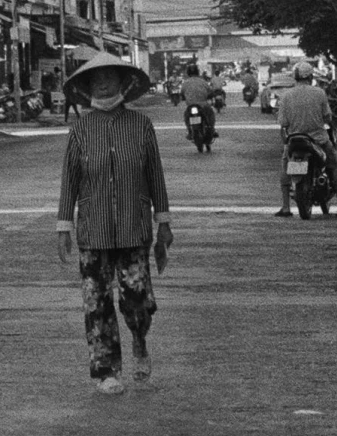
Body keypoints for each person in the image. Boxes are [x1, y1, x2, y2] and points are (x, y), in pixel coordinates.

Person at [56, 50, 172, 396]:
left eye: (110, 78)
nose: (103, 85)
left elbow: (155, 175)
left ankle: (139, 339)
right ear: (88, 86)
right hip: (93, 230)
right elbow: (70, 179)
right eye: (96, 79)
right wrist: (64, 225)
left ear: (124, 83)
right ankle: (105, 369)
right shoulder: (80, 130)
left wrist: (163, 222)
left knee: (137, 299)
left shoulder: (141, 125)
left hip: (133, 227)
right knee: (97, 302)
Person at [276, 61, 337, 219]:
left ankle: (285, 207)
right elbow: (327, 117)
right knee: (335, 164)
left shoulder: (285, 96)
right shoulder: (319, 93)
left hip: (294, 141)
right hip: (318, 140)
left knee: (285, 165)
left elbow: (283, 123)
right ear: (310, 76)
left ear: (295, 77)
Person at [179, 64, 217, 136]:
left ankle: (190, 131)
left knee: (186, 116)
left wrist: (183, 98)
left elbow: (182, 93)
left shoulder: (185, 83)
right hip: (203, 105)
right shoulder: (202, 81)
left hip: (190, 105)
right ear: (197, 72)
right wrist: (210, 96)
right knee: (211, 113)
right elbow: (210, 91)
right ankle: (212, 129)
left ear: (188, 72)